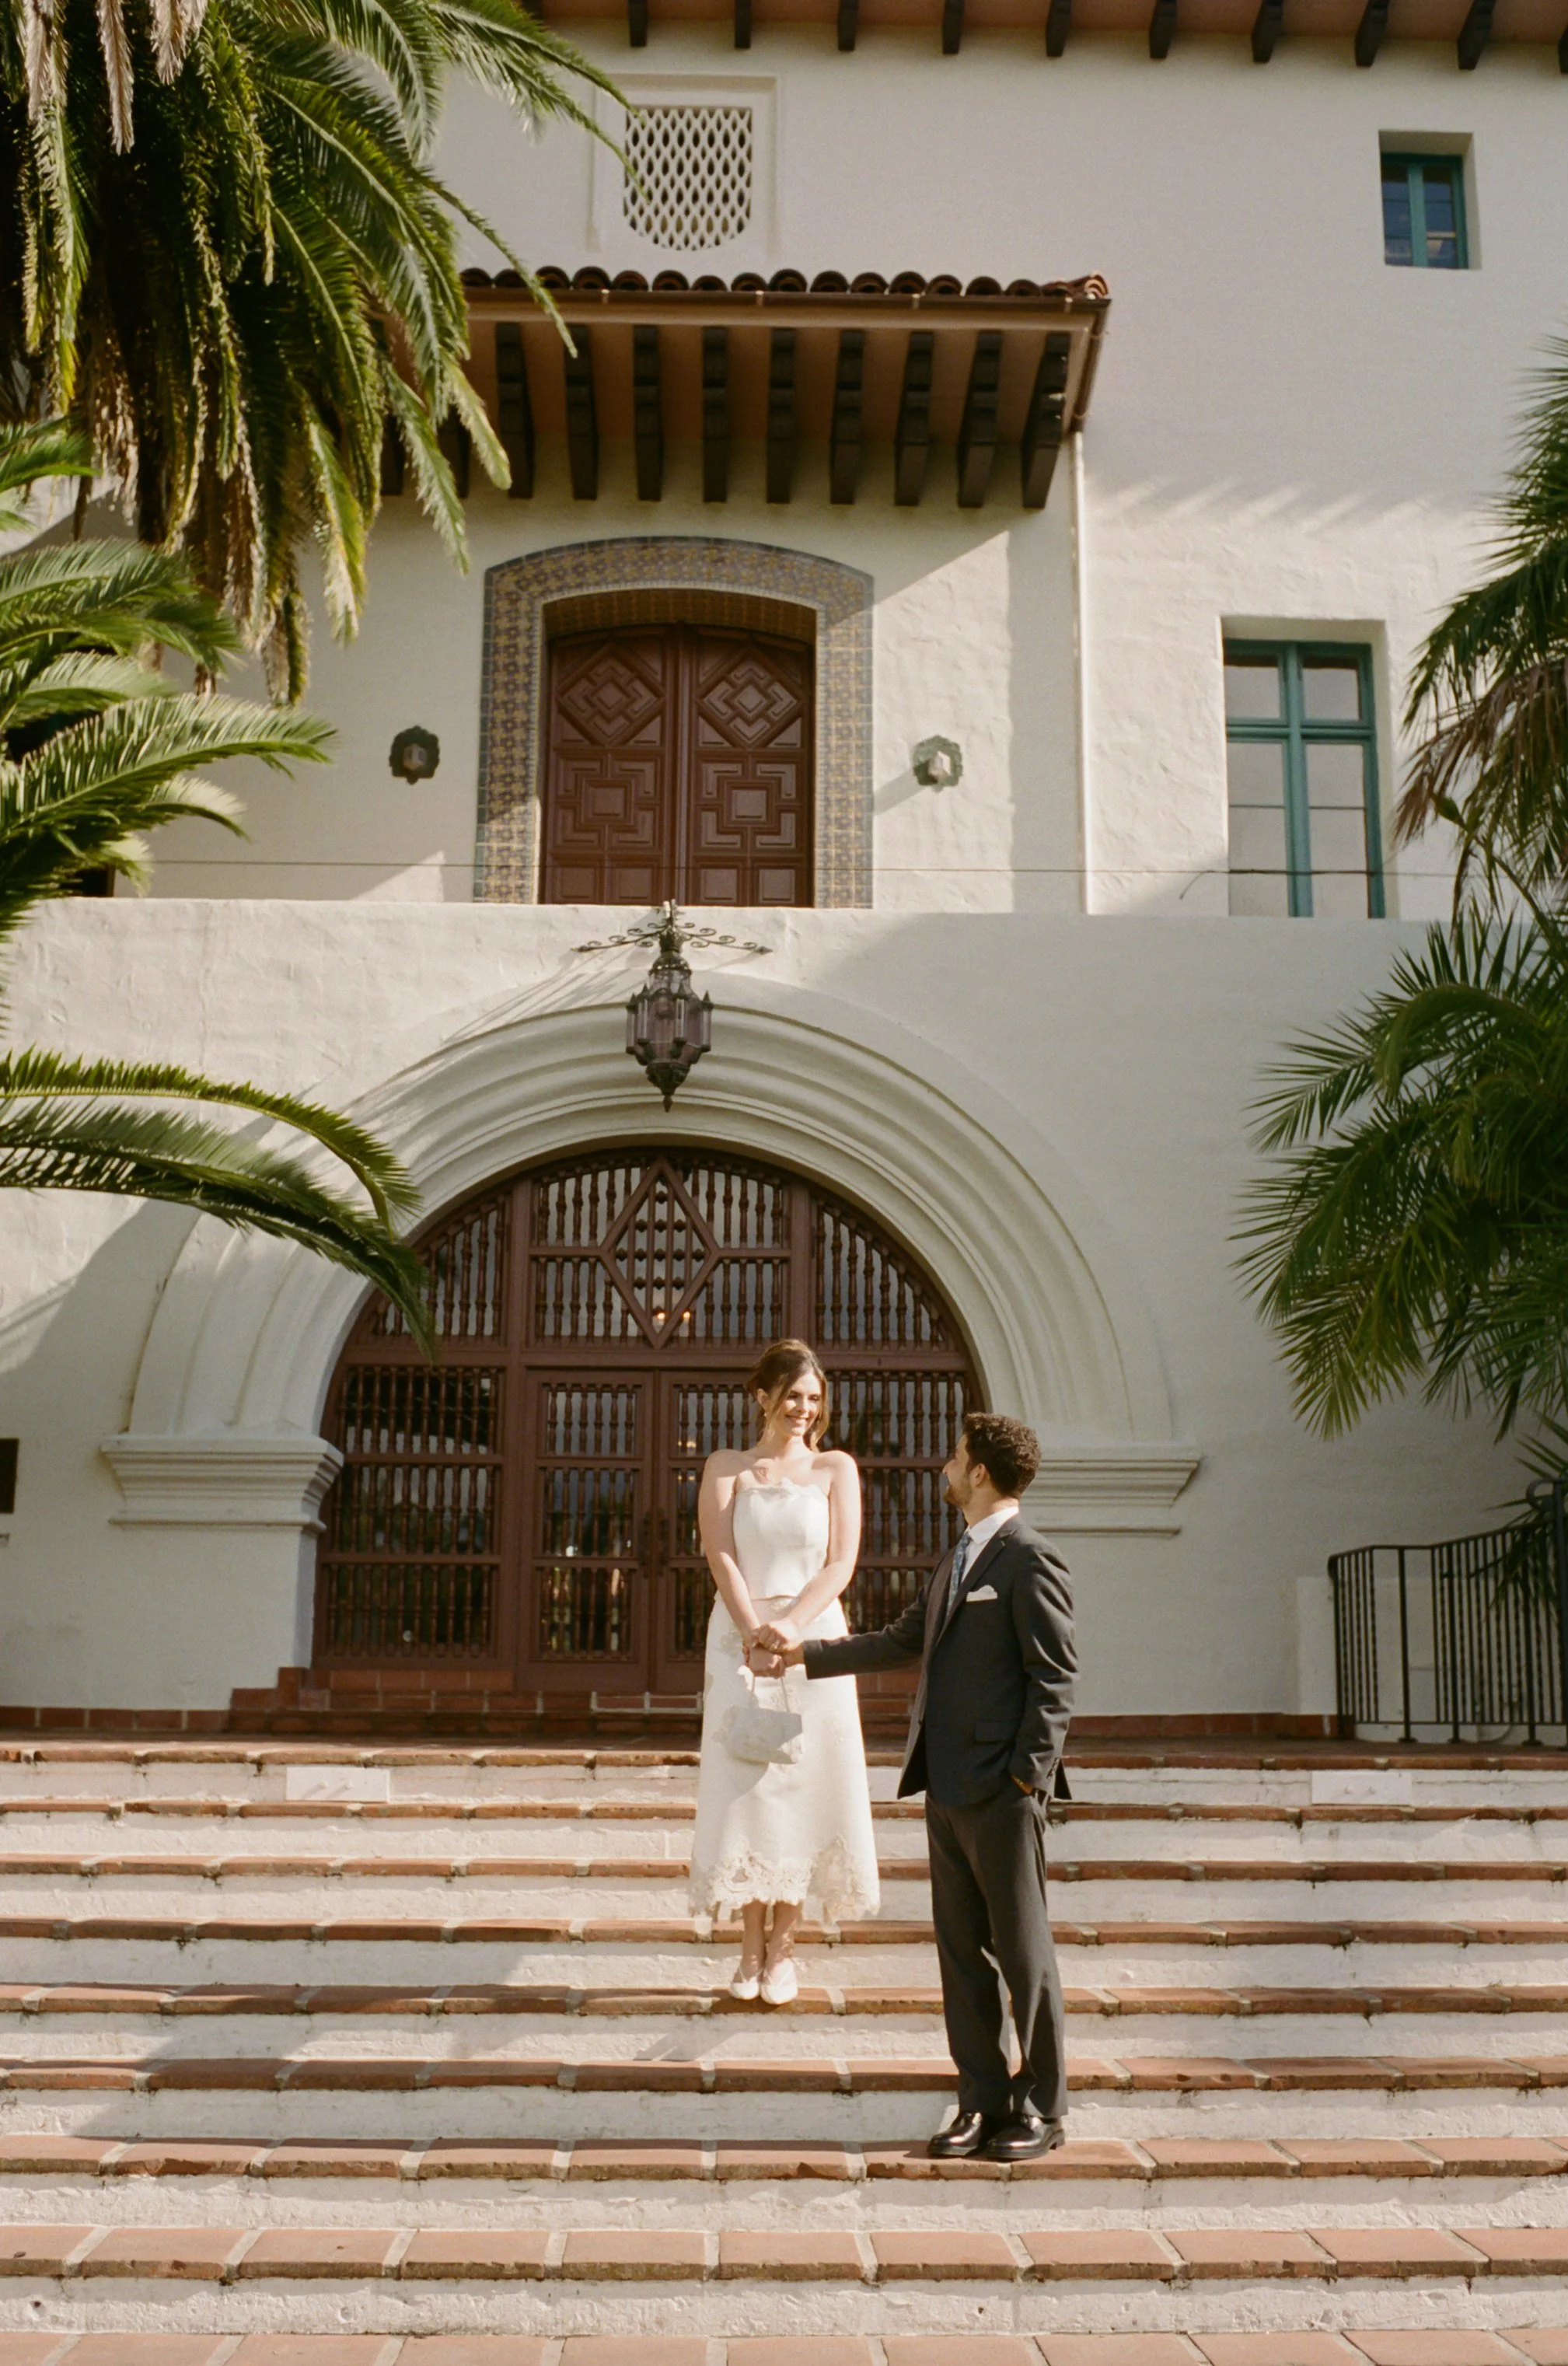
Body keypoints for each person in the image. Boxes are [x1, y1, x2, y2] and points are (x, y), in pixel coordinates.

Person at [760, 1410, 1074, 2162]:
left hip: (1002, 1791)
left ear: (980, 1475)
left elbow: (1054, 1680)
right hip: (944, 1785)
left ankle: (1041, 2109)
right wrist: (801, 1654)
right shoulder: (957, 1556)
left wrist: (1026, 1779)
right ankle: (979, 2102)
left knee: (1023, 1956)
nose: (947, 1462)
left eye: (957, 1455)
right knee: (961, 1954)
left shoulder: (1029, 1559)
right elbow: (903, 1639)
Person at [688, 1338, 880, 2005]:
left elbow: (840, 1562)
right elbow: (720, 1554)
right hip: (737, 1641)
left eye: (814, 1398)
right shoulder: (727, 1466)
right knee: (748, 1785)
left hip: (814, 1640)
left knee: (805, 1786)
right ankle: (745, 1948)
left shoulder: (835, 1468)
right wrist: (752, 1633)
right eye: (792, 1395)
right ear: (763, 1396)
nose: (803, 1408)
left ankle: (783, 1950)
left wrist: (791, 1630)